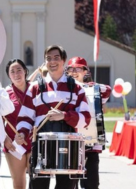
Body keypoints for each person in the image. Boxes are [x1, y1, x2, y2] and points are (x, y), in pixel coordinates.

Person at [15, 45, 91, 189]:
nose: (52, 61)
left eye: (56, 58)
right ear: (45, 62)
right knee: (38, 186)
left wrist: (65, 115)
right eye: (48, 58)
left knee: (66, 187)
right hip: (41, 145)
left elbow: (86, 118)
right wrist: (22, 133)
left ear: (63, 60)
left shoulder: (76, 87)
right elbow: (25, 117)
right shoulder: (35, 87)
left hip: (68, 145)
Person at [66, 57, 111, 189]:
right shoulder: (65, 90)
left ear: (86, 71)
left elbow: (107, 90)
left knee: (91, 183)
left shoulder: (94, 90)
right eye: (71, 69)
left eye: (78, 68)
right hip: (71, 144)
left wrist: (89, 86)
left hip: (91, 145)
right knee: (69, 183)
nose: (74, 72)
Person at [4, 59, 32, 189]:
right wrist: (5, 139)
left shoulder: (36, 89)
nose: (16, 74)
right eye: (12, 71)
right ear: (9, 75)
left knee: (37, 181)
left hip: (34, 141)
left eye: (19, 70)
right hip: (14, 144)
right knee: (19, 183)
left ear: (25, 71)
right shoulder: (4, 94)